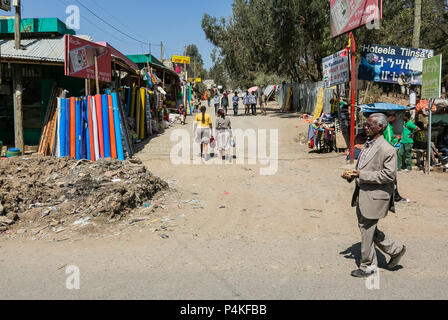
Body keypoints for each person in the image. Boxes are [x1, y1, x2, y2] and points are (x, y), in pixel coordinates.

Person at [342, 113, 406, 278]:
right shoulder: (368, 144)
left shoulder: (387, 149)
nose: (366, 127)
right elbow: (363, 167)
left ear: (381, 128)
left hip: (375, 197)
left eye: (370, 125)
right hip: (363, 194)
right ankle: (395, 250)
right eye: (366, 124)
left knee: (366, 229)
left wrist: (361, 175)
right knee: (368, 228)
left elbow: (389, 175)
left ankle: (368, 266)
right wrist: (353, 175)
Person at [384, 111, 408, 203]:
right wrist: (397, 139)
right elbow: (389, 143)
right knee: (392, 176)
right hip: (388, 154)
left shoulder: (383, 126)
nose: (395, 120)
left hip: (383, 154)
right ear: (390, 117)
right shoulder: (389, 127)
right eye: (394, 118)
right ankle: (395, 196)